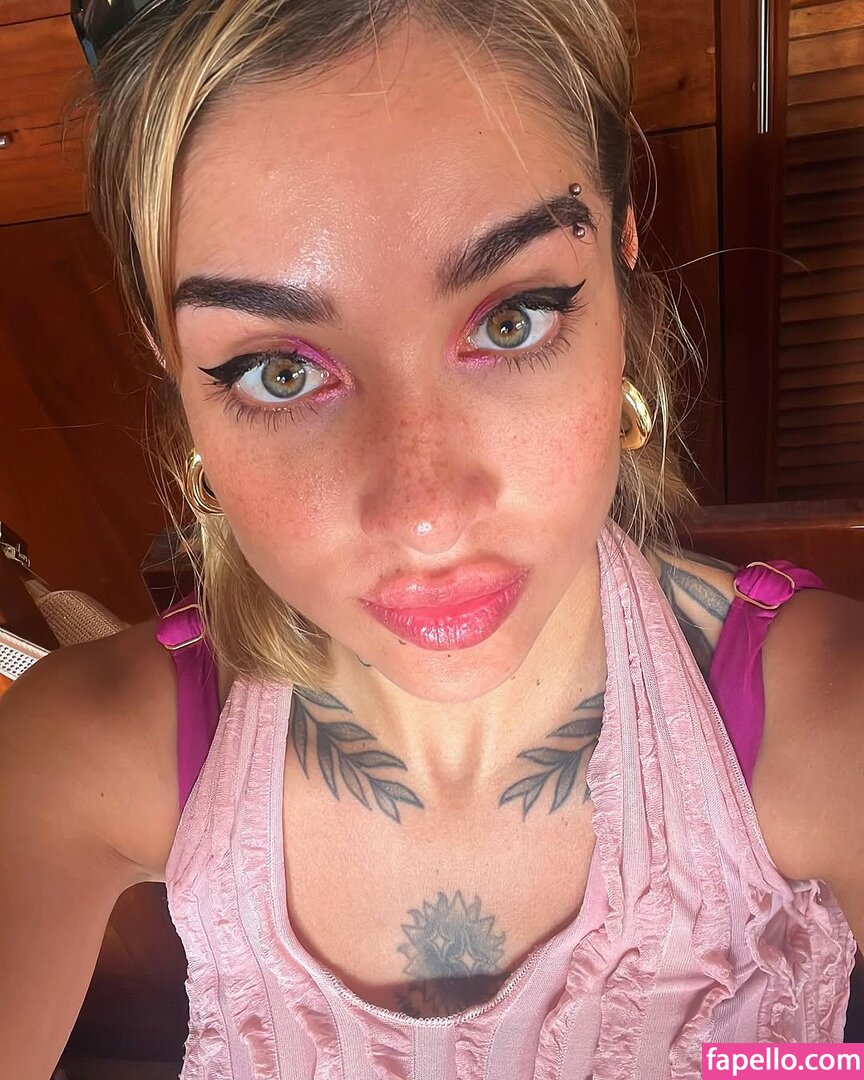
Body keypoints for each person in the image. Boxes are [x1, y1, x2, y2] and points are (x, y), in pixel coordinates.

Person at [2, 0, 863, 1076]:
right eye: (280, 371)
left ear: (622, 249)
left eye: (512, 319)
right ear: (173, 363)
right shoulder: (74, 754)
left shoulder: (832, 726)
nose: (424, 517)